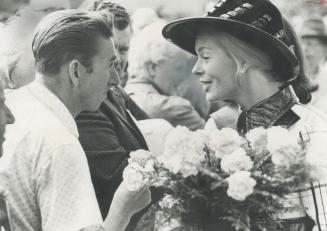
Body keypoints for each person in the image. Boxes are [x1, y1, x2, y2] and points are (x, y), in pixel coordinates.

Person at [163, 0, 327, 230]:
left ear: (243, 60)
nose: (196, 68)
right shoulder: (221, 133)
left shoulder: (311, 132)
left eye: (206, 56)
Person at [0, 9, 150, 231]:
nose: (116, 79)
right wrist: (123, 210)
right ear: (76, 71)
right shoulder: (60, 146)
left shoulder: (17, 106)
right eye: (109, 65)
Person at [126, 20, 206, 130]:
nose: (182, 76)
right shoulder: (174, 108)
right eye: (178, 68)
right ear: (152, 68)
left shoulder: (121, 97)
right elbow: (217, 142)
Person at [301, 17, 327, 112]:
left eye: (310, 44)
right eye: (302, 43)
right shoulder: (292, 77)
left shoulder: (324, 78)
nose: (304, 49)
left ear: (324, 50)